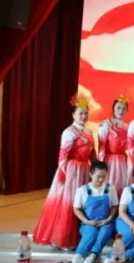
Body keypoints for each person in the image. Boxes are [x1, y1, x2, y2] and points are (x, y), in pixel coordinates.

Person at [35, 95, 96, 249]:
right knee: (69, 201)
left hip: (84, 169)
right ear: (73, 114)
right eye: (80, 113)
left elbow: (92, 153)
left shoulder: (89, 131)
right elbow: (63, 155)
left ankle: (80, 237)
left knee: (82, 201)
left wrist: (95, 168)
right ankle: (63, 239)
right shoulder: (69, 132)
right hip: (72, 170)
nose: (84, 116)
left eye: (86, 113)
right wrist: (63, 173)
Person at [71, 161, 118, 263]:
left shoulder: (110, 189)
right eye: (98, 177)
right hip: (88, 223)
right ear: (91, 174)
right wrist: (87, 221)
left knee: (104, 232)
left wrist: (109, 218)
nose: (101, 179)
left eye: (104, 176)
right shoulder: (82, 190)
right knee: (91, 233)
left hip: (105, 222)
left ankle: (91, 257)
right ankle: (79, 256)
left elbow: (115, 206)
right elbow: (76, 209)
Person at [98, 95, 131, 195]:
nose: (121, 111)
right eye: (118, 108)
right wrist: (100, 164)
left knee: (122, 186)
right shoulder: (106, 124)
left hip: (123, 161)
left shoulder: (127, 127)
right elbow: (101, 146)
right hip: (109, 161)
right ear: (113, 109)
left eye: (124, 109)